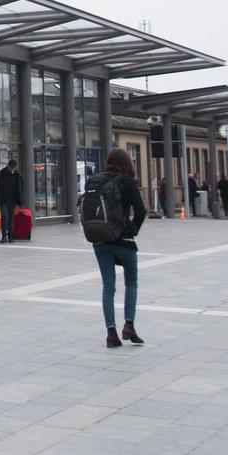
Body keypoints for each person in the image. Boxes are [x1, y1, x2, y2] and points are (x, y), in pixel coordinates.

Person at [92, 148, 147, 347]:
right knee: (131, 282)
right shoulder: (127, 182)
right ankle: (129, 325)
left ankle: (111, 333)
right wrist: (131, 229)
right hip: (124, 241)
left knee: (108, 286)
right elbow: (141, 211)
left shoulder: (98, 181)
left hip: (100, 240)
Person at [0, 159, 23, 244]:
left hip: (13, 200)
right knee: (5, 216)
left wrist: (21, 200)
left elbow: (21, 189)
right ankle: (4, 236)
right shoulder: (1, 174)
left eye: (14, 168)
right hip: (3, 200)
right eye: (11, 168)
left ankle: (10, 236)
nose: (12, 170)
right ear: (8, 166)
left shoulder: (18, 175)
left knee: (11, 217)